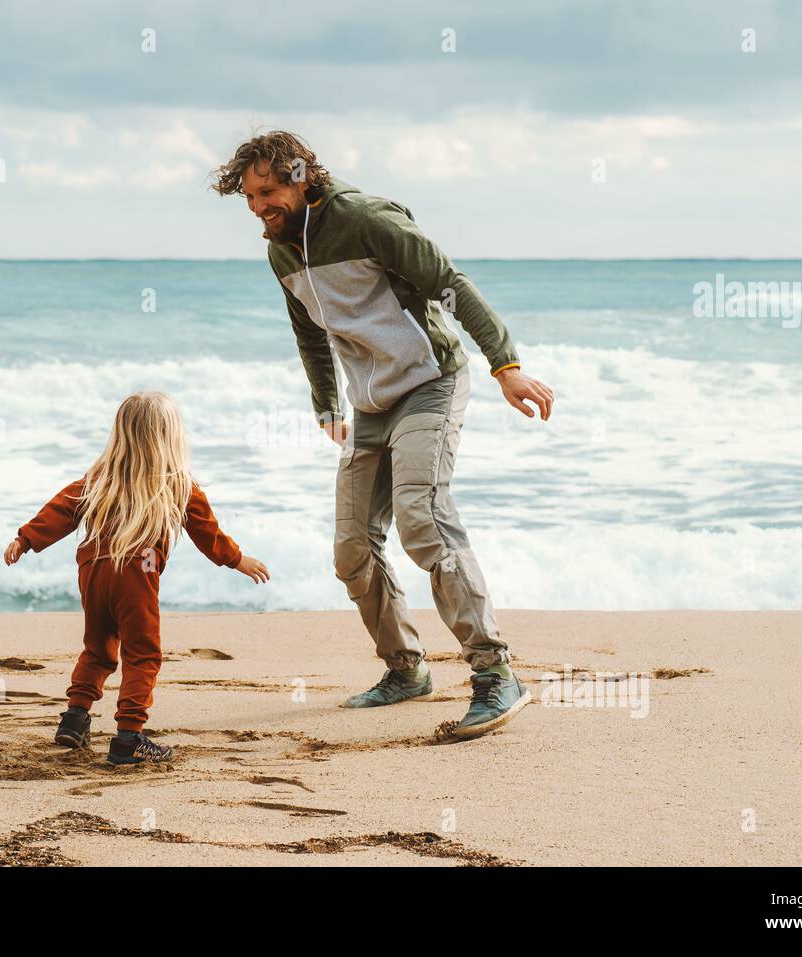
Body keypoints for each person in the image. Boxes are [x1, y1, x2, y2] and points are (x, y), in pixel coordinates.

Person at [213, 131, 554, 739]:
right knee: (352, 548)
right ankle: (405, 670)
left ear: (299, 175)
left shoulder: (368, 220)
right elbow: (311, 334)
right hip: (371, 405)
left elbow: (451, 284)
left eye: (266, 192)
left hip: (430, 383)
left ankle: (495, 673)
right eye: (248, 196)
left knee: (422, 519)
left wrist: (507, 365)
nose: (256, 207)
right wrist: (325, 403)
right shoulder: (282, 252)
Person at [4, 391, 270, 763]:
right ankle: (129, 737)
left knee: (98, 645)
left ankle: (74, 719)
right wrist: (236, 559)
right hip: (137, 576)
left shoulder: (99, 478)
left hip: (93, 570)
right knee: (142, 654)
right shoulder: (178, 484)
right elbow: (208, 534)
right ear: (170, 436)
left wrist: (26, 538)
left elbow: (62, 510)